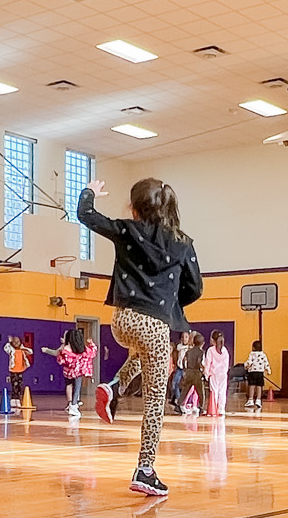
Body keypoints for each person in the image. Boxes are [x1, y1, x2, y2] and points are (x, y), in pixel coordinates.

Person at [85, 177, 203, 498]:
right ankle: (145, 470)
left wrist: (90, 192)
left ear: (134, 208)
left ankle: (115, 386)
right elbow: (196, 287)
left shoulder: (126, 230)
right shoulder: (182, 243)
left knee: (143, 352)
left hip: (121, 320)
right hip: (154, 324)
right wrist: (170, 299)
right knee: (154, 401)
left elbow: (87, 216)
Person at [48, 327, 96, 419]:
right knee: (77, 387)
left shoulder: (67, 349)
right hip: (78, 372)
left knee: (72, 386)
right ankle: (73, 405)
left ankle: (72, 403)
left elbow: (61, 360)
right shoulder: (83, 349)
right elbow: (92, 353)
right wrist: (91, 344)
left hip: (69, 372)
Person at [177, 331, 207, 416]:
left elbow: (184, 360)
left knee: (185, 390)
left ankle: (179, 404)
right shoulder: (201, 352)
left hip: (189, 372)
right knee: (200, 391)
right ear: (202, 343)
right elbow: (201, 362)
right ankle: (201, 407)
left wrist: (185, 369)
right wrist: (203, 370)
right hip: (196, 372)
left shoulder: (189, 351)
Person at [203, 330, 231, 417]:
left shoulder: (210, 350)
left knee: (214, 391)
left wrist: (206, 374)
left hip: (214, 374)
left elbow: (208, 363)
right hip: (223, 374)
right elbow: (227, 364)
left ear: (212, 340)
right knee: (222, 391)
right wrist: (225, 372)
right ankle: (221, 409)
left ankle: (213, 408)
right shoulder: (225, 350)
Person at [243, 340, 272, 411]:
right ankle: (258, 400)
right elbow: (266, 363)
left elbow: (249, 362)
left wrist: (245, 366)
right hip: (260, 372)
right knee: (259, 386)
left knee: (252, 386)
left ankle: (250, 399)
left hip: (252, 372)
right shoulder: (263, 355)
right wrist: (268, 370)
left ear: (253, 347)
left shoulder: (252, 354)